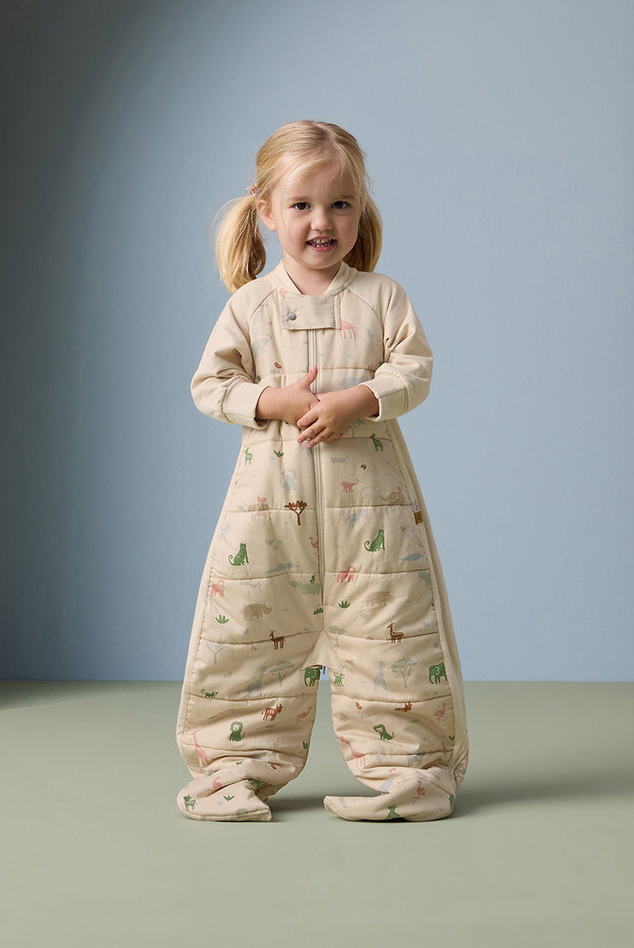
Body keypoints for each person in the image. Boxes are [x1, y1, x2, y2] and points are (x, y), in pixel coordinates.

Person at [176, 120, 468, 822]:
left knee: (390, 633)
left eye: (340, 203)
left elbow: (415, 371)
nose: (322, 221)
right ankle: (230, 774)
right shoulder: (250, 306)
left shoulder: (382, 298)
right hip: (268, 516)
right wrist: (270, 400)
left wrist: (357, 399)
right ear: (267, 211)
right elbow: (209, 385)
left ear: (359, 211)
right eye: (302, 204)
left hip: (372, 515)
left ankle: (413, 775)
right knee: (247, 634)